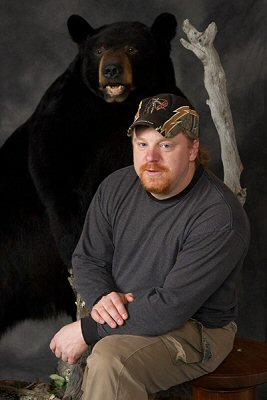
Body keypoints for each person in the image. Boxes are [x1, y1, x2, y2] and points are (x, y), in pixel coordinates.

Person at [50, 93, 250, 400]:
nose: (150, 159)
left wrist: (89, 329)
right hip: (129, 314)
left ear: (193, 149)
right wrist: (104, 299)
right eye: (142, 145)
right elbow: (88, 257)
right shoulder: (116, 187)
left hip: (196, 329)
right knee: (109, 353)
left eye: (166, 145)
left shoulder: (219, 215)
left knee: (111, 362)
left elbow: (171, 307)